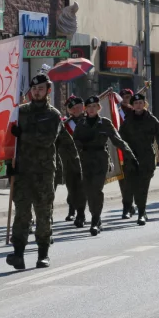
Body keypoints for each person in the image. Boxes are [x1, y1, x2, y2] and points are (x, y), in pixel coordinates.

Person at [8, 73, 81, 270]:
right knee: (21, 214)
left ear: (48, 91)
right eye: (34, 89)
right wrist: (9, 162)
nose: (36, 92)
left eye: (40, 89)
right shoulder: (19, 112)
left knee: (43, 213)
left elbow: (47, 140)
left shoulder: (54, 115)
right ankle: (18, 253)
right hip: (22, 172)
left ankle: (43, 253)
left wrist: (24, 134)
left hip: (44, 172)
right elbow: (9, 142)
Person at [74, 95, 137, 235]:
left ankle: (95, 220)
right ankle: (95, 216)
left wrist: (129, 154)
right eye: (89, 107)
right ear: (85, 109)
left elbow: (117, 140)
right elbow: (74, 143)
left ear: (99, 108)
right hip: (85, 160)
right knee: (89, 191)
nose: (91, 109)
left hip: (100, 159)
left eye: (94, 107)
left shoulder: (105, 123)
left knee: (97, 189)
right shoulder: (80, 124)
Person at [119, 93, 159, 225]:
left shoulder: (151, 119)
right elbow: (120, 138)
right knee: (129, 185)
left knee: (143, 186)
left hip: (147, 157)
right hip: (131, 157)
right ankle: (127, 207)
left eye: (141, 103)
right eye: (136, 103)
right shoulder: (127, 120)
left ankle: (141, 212)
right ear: (132, 106)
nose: (138, 105)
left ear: (145, 104)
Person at [62, 95, 87, 226]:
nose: (76, 110)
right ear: (70, 110)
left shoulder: (89, 121)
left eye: (79, 107)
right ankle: (72, 208)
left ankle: (81, 214)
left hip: (85, 161)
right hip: (69, 161)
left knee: (82, 188)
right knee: (71, 187)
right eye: (73, 108)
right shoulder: (65, 124)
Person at [117, 89, 135, 219]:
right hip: (122, 150)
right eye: (123, 97)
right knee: (124, 180)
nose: (125, 99)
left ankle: (136, 204)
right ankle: (127, 206)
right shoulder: (116, 112)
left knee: (136, 179)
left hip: (136, 150)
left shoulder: (137, 112)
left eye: (128, 97)